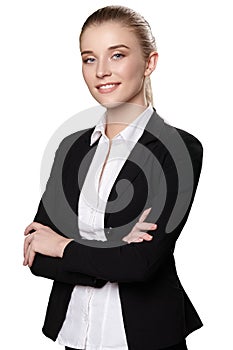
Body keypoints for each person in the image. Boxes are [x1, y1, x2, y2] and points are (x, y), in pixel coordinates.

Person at [23, 5, 204, 350]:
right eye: (89, 59)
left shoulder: (178, 148)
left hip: (147, 337)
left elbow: (140, 265)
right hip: (76, 334)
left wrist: (64, 245)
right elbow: (36, 254)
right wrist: (112, 248)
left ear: (149, 63)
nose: (101, 71)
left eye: (117, 55)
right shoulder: (72, 148)